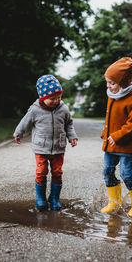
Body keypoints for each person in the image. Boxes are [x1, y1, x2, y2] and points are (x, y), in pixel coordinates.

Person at [13, 75, 78, 211]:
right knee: (41, 171)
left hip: (58, 147)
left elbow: (69, 124)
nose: (56, 101)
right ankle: (40, 197)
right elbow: (25, 122)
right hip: (41, 147)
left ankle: (54, 198)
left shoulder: (64, 109)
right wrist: (18, 133)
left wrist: (72, 136)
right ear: (43, 97)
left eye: (59, 97)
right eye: (52, 99)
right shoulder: (35, 109)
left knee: (57, 172)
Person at [100, 57, 132, 217]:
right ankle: (115, 201)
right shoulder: (112, 97)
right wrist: (105, 134)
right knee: (107, 171)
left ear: (124, 83)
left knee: (126, 173)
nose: (108, 86)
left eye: (112, 83)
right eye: (107, 82)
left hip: (126, 145)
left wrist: (118, 135)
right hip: (111, 144)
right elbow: (110, 120)